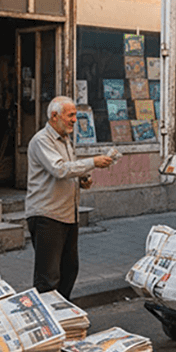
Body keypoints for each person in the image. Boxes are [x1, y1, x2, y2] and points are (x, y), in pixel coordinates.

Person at [25, 96, 113, 299]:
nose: (75, 119)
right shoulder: (41, 140)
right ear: (54, 116)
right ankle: (47, 319)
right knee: (48, 276)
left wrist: (83, 179)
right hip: (47, 214)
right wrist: (92, 162)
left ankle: (63, 312)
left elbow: (69, 171)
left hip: (67, 214)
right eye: (70, 115)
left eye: (75, 115)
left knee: (69, 269)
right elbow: (59, 169)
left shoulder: (65, 140)